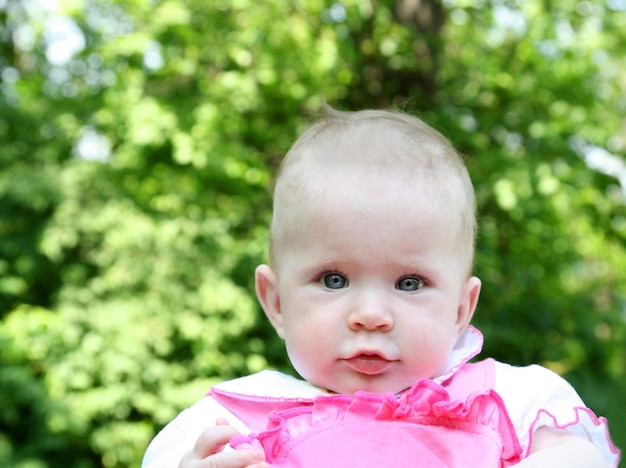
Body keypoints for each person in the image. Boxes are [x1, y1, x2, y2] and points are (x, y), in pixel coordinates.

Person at [142, 108, 621, 467]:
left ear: (460, 308)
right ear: (276, 301)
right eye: (334, 279)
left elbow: (579, 458)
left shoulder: (511, 401)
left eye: (409, 283)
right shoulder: (231, 423)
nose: (371, 314)